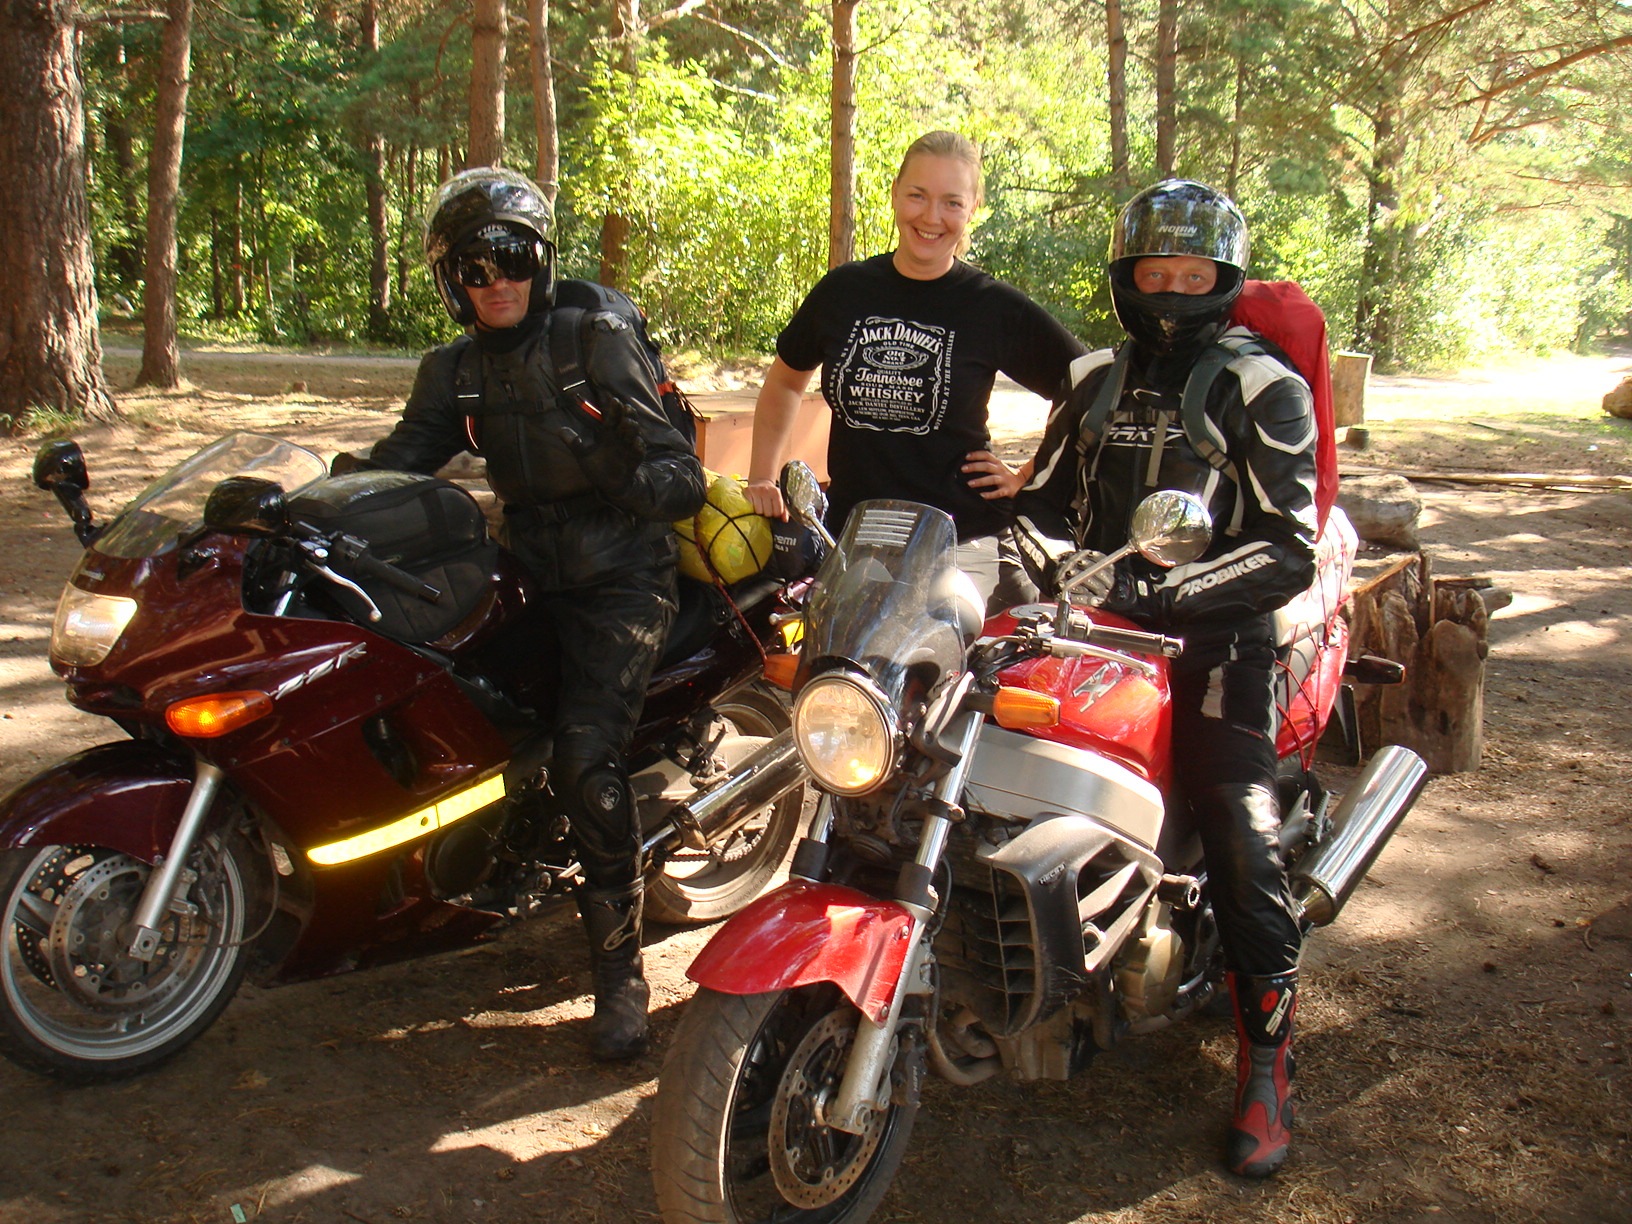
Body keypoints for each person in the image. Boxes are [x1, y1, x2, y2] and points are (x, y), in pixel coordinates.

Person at [341, 166, 706, 1061]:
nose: (497, 279)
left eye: (514, 257)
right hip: (523, 572)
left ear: (542, 261)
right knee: (431, 698)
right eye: (475, 266)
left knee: (586, 756)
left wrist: (616, 471)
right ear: (450, 281)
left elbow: (681, 478)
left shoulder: (595, 339)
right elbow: (395, 465)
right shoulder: (454, 371)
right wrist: (296, 502)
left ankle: (619, 974)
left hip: (624, 577)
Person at [1013, 179, 1319, 1178]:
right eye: (1157, 273)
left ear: (1223, 279)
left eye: (1195, 276)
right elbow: (1039, 502)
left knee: (1237, 820)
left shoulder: (1264, 385)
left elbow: (1288, 546)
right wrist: (1060, 566)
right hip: (1091, 627)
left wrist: (1166, 594)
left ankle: (1267, 1066)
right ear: (1125, 276)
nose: (1174, 293)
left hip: (1220, 641)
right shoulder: (1093, 377)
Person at [740, 130, 1086, 608]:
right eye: (918, 196)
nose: (931, 217)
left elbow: (1090, 385)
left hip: (963, 544)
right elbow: (784, 382)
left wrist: (1027, 474)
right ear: (895, 194)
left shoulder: (992, 307)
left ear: (973, 208)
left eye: (952, 202)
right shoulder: (845, 291)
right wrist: (762, 476)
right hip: (853, 541)